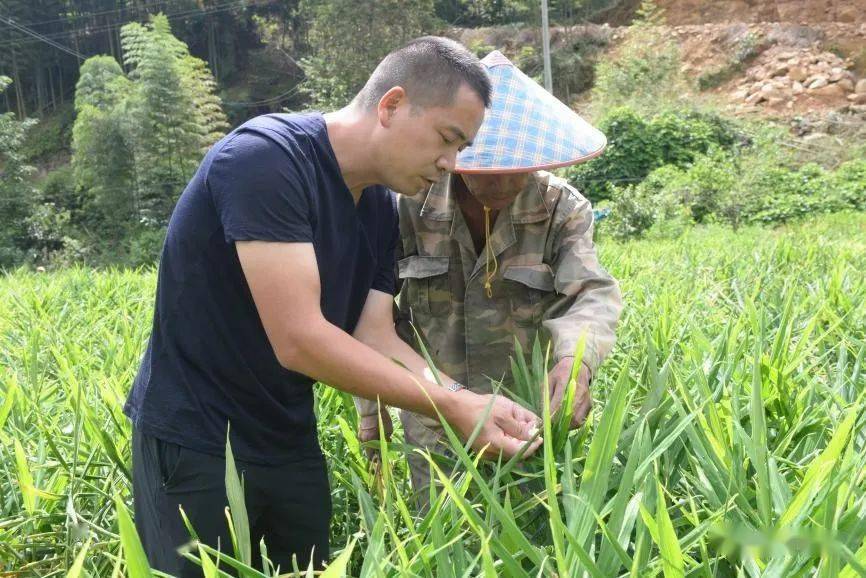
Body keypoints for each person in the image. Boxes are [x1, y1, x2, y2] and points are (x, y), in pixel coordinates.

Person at [123, 38, 542, 576]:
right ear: (391, 106)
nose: (449, 164)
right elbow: (299, 340)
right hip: (196, 440)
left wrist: (468, 399)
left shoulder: (379, 208)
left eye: (461, 149)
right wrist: (448, 409)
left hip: (286, 436)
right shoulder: (265, 162)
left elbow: (375, 336)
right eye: (447, 138)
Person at [356, 51, 622, 500]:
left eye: (515, 170)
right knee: (438, 537)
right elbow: (370, 314)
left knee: (528, 538)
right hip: (432, 414)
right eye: (486, 168)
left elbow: (589, 293)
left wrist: (574, 366)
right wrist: (371, 406)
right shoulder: (405, 204)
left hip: (525, 414)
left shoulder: (562, 209)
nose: (500, 184)